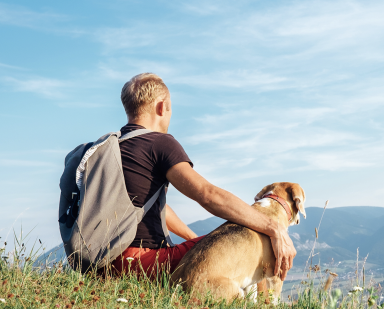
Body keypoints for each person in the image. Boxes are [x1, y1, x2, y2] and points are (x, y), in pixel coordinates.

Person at [111, 73, 296, 281]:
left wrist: (192, 240)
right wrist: (274, 228)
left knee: (209, 243)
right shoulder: (159, 143)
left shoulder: (111, 148)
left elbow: (147, 206)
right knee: (241, 241)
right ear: (162, 107)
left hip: (100, 263)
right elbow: (208, 195)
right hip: (140, 263)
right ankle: (261, 306)